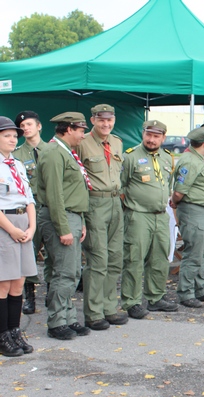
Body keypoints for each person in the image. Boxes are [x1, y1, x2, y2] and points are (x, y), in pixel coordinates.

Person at [36, 112, 92, 340]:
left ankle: (68, 318)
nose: (83, 135)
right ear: (68, 129)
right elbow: (55, 194)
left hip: (73, 216)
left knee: (71, 271)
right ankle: (57, 321)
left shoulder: (66, 152)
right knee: (64, 272)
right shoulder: (52, 152)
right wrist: (63, 228)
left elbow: (73, 191)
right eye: (81, 130)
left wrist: (82, 222)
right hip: (61, 216)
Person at [120, 120, 179, 319]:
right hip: (138, 215)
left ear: (163, 138)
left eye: (156, 136)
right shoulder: (130, 157)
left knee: (159, 258)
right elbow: (121, 187)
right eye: (149, 135)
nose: (151, 140)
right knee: (134, 258)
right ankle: (132, 301)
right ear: (143, 134)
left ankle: (155, 297)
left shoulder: (167, 158)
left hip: (161, 215)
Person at [77, 104, 128, 330]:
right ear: (92, 120)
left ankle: (109, 307)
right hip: (94, 203)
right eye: (101, 120)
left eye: (109, 120)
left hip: (116, 202)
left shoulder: (116, 142)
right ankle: (94, 312)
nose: (105, 124)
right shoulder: (82, 144)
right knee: (98, 259)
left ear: (114, 120)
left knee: (116, 257)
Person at [170, 126, 204, 308]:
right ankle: (186, 292)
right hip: (193, 211)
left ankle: (200, 288)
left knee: (203, 252)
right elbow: (179, 191)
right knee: (193, 253)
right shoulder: (191, 161)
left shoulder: (199, 159)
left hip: (203, 211)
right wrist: (175, 202)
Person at [0, 116, 37, 357]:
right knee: (3, 282)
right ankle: (2, 334)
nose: (13, 139)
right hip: (5, 224)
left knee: (19, 282)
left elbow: (29, 197)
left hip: (24, 222)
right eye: (7, 136)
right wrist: (11, 229)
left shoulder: (18, 164)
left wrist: (32, 227)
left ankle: (14, 330)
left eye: (15, 135)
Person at [13, 111, 49, 315]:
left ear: (39, 126)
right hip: (29, 209)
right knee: (29, 251)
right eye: (22, 126)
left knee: (52, 253)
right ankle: (30, 296)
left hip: (49, 207)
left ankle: (51, 293)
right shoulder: (16, 154)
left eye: (29, 124)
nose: (25, 128)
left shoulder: (52, 150)